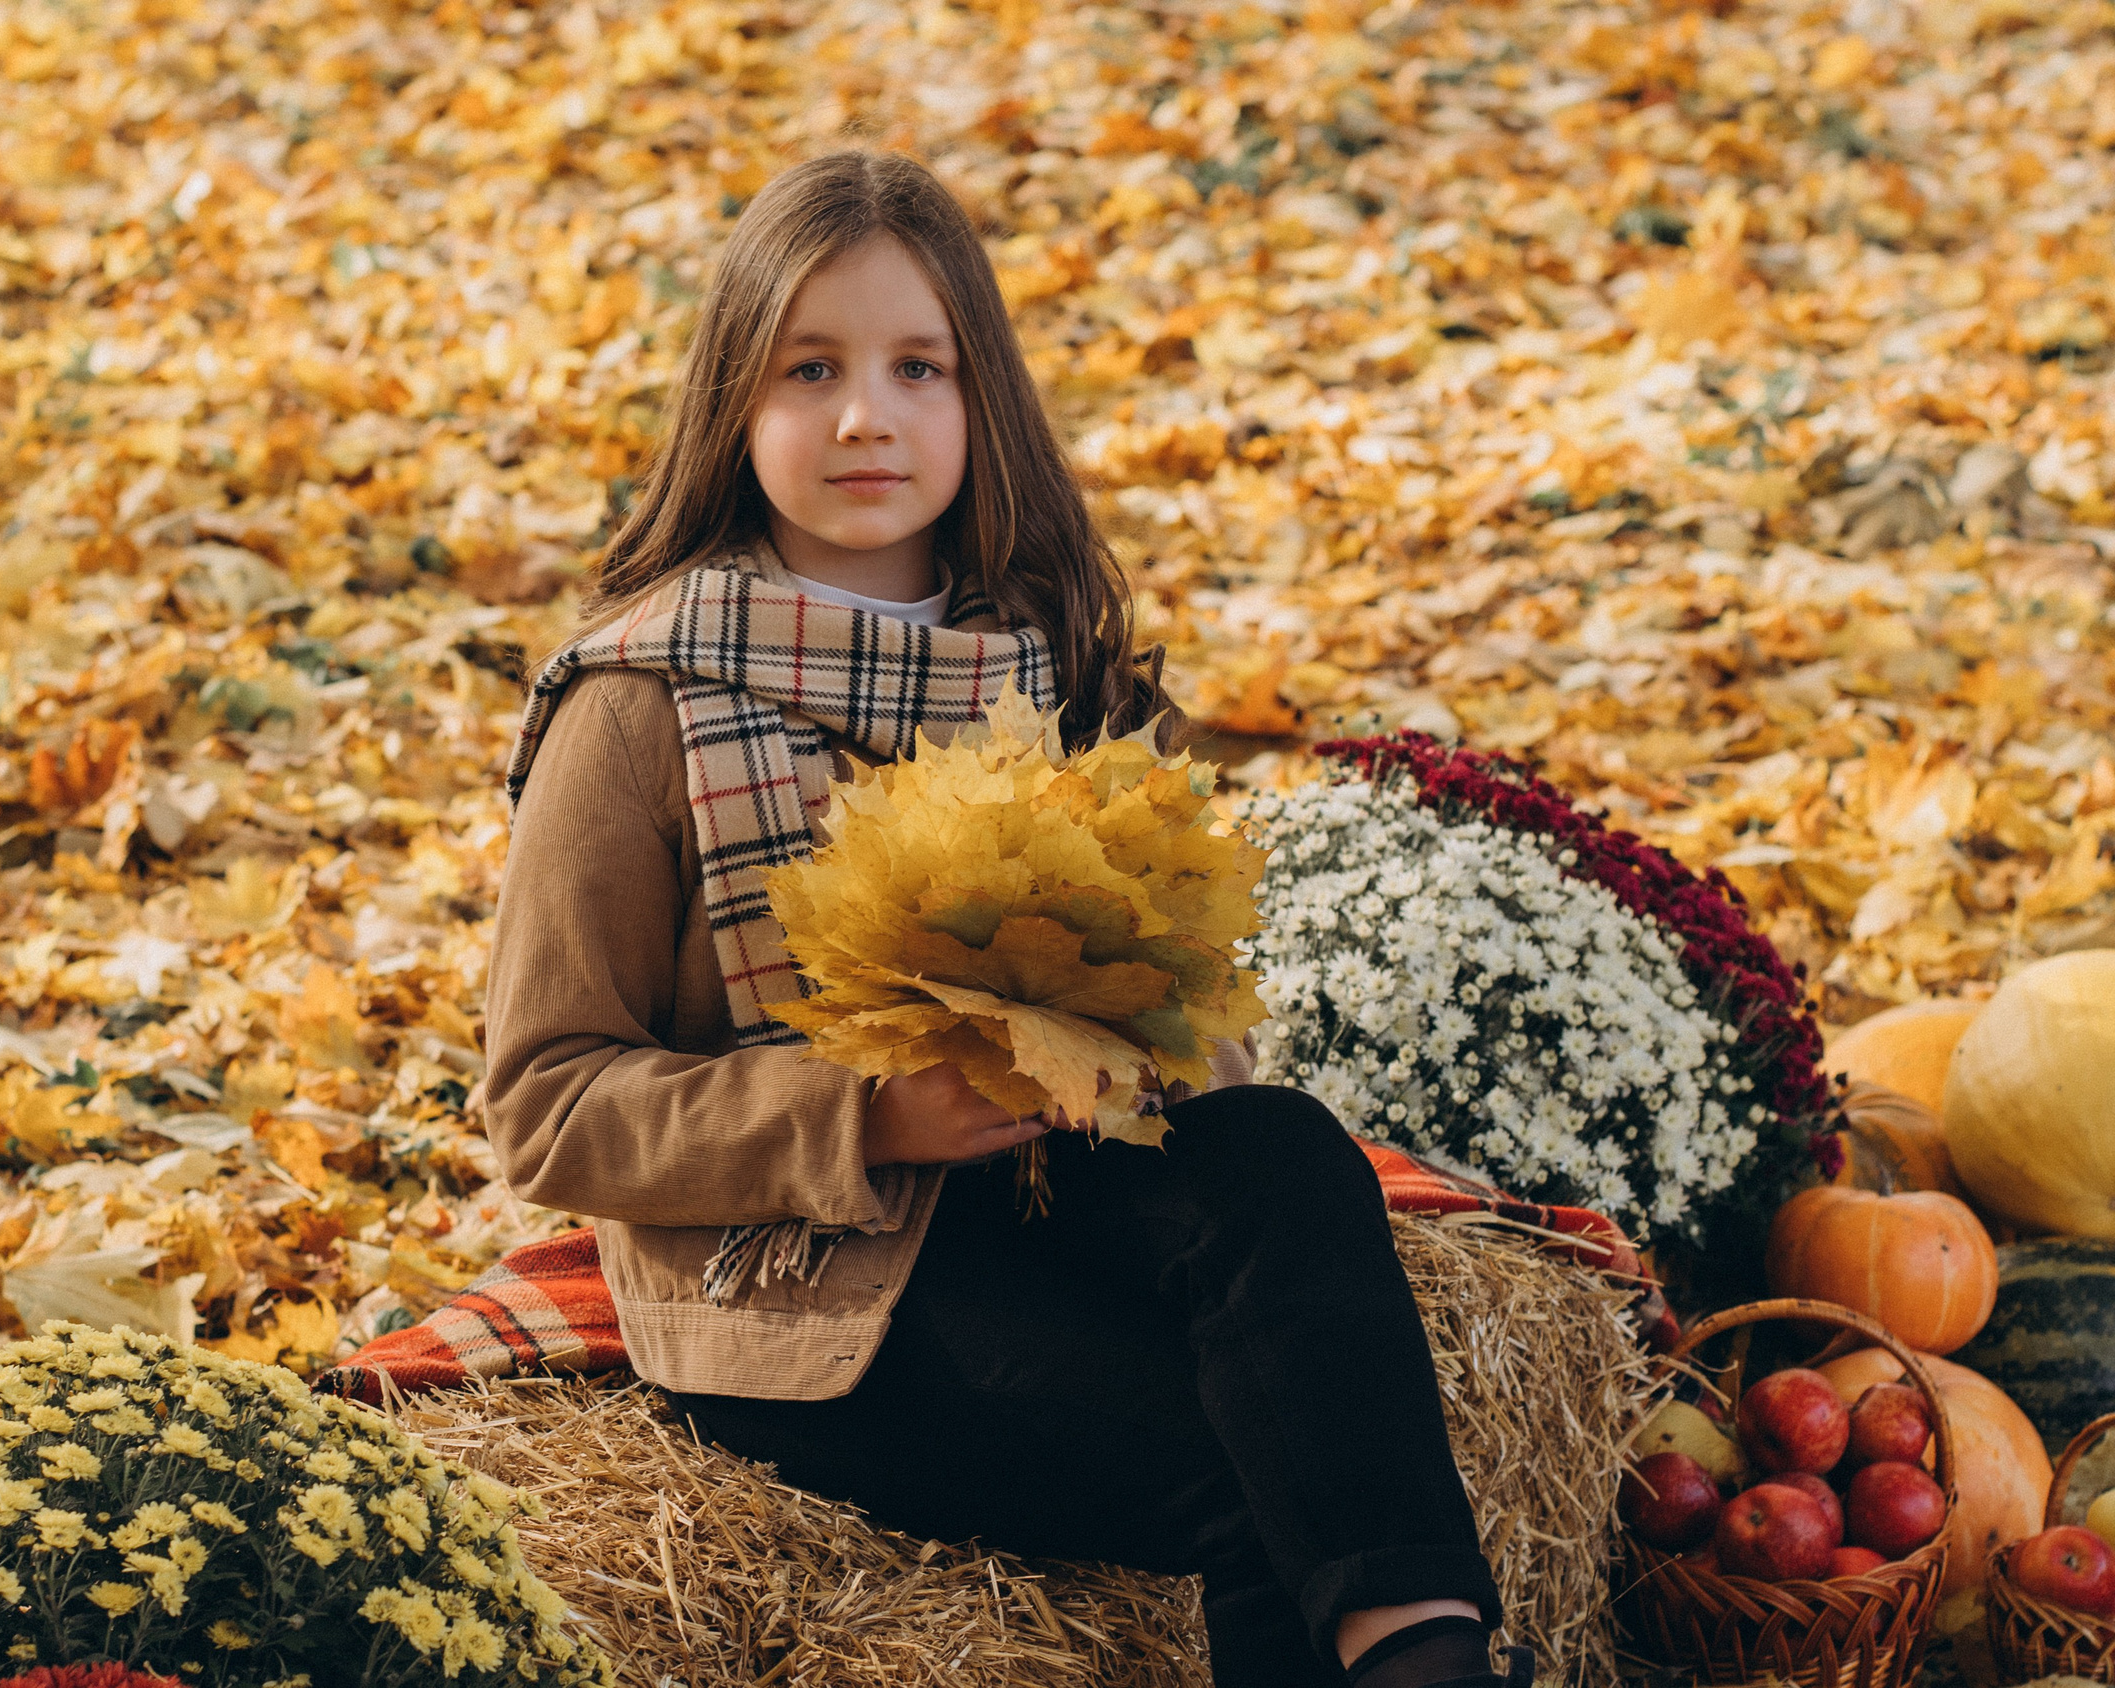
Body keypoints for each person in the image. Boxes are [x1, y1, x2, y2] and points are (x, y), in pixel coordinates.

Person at [483, 150, 1529, 1688]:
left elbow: (1195, 994)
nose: (866, 417)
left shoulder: (1048, 658)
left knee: (1293, 1160)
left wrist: (1152, 1034)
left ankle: (1423, 1662)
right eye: (810, 369)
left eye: (920, 366)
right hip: (805, 1285)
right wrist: (867, 1117)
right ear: (734, 406)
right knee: (1267, 1466)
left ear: (983, 402)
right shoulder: (641, 705)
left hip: (1059, 1196)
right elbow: (546, 1105)